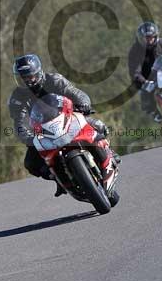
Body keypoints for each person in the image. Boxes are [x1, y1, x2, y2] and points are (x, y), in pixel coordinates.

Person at [7, 54, 115, 196]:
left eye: (30, 76)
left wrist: (83, 103)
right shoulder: (17, 97)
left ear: (38, 72)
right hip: (43, 130)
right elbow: (19, 122)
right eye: (23, 78)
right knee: (31, 164)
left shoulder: (54, 80)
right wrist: (27, 137)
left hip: (67, 117)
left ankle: (108, 154)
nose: (27, 80)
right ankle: (59, 179)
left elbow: (75, 93)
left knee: (99, 126)